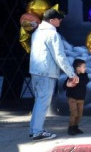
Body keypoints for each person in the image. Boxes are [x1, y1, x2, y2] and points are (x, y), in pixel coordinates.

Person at [29, 8, 78, 141]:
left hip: (36, 71)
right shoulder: (52, 34)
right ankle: (38, 132)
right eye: (58, 18)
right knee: (43, 102)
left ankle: (34, 128)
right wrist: (71, 74)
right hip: (46, 72)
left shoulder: (37, 32)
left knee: (38, 100)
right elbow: (60, 57)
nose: (60, 20)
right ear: (52, 20)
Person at [64, 58, 89, 136]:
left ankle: (76, 127)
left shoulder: (84, 75)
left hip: (81, 98)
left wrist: (78, 81)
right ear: (78, 68)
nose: (85, 68)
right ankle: (70, 128)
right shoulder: (71, 76)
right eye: (84, 67)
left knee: (79, 114)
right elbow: (64, 86)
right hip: (72, 98)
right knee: (74, 113)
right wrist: (67, 84)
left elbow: (85, 81)